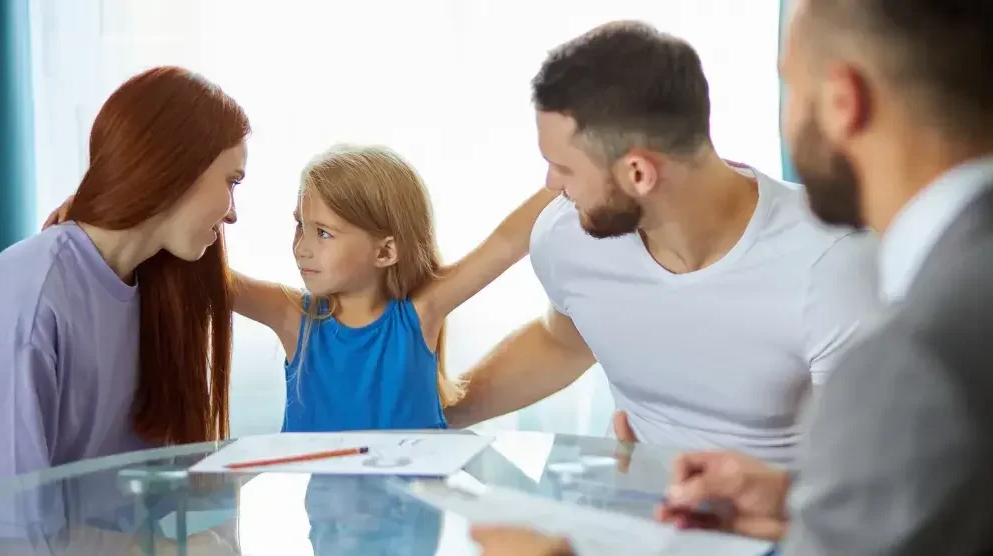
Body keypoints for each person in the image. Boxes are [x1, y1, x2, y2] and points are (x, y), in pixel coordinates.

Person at [473, 0, 993, 553]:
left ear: (844, 102)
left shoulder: (901, 342)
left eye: (791, 87)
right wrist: (793, 501)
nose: (551, 184)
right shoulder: (953, 286)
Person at [446, 21, 880, 465]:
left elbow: (864, 476)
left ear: (638, 173)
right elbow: (565, 341)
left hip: (784, 525)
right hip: (635, 512)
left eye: (565, 168)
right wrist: (435, 418)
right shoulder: (567, 236)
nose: (552, 185)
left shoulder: (832, 262)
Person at [0, 66, 249, 483]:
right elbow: (13, 526)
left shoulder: (158, 287)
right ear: (176, 166)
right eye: (232, 182)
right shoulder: (32, 294)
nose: (233, 212)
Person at [232, 144, 556, 432]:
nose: (302, 246)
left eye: (323, 233)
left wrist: (575, 174)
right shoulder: (293, 316)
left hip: (412, 501)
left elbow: (506, 242)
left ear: (385, 251)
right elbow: (212, 280)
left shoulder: (421, 312)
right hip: (322, 500)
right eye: (300, 225)